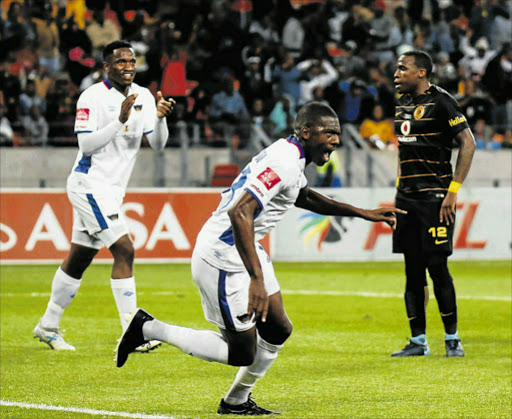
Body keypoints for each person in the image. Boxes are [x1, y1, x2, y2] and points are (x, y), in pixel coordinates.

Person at [115, 101, 403, 415]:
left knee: (278, 328)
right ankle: (148, 328)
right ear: (306, 132)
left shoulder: (292, 156)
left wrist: (362, 213)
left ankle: (236, 401)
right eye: (329, 132)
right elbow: (240, 211)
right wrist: (256, 279)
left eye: (337, 132)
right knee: (241, 352)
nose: (336, 139)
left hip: (246, 248)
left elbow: (303, 195)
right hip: (223, 257)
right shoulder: (283, 160)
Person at [32, 40, 175, 351]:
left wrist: (161, 119)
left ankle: (48, 325)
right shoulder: (92, 97)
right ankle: (131, 331)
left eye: (131, 61)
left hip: (111, 190)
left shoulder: (146, 97)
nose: (127, 66)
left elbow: (158, 145)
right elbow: (86, 145)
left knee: (79, 258)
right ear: (106, 66)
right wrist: (119, 121)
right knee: (125, 249)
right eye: (120, 61)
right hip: (89, 185)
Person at [392, 50, 476, 358]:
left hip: (435, 199)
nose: (396, 74)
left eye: (403, 69)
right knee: (412, 270)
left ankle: (452, 339)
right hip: (406, 200)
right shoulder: (401, 103)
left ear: (421, 73)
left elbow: (468, 143)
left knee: (437, 267)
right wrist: (399, 189)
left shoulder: (442, 101)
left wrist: (452, 191)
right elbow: (404, 152)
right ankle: (418, 342)